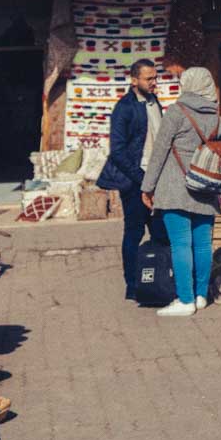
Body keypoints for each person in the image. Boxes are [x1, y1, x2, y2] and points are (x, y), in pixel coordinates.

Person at [141, 67, 221, 317]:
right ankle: (200, 296)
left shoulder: (176, 112)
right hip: (205, 186)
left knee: (180, 244)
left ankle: (185, 300)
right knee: (202, 245)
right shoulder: (217, 117)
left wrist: (147, 186)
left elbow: (159, 151)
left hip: (175, 186)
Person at [98, 58, 162, 300]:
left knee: (159, 231)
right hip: (135, 181)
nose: (154, 82)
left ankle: (157, 278)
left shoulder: (155, 102)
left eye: (156, 77)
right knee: (134, 232)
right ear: (134, 80)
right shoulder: (124, 108)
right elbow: (118, 151)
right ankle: (132, 286)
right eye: (149, 78)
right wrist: (141, 179)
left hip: (155, 179)